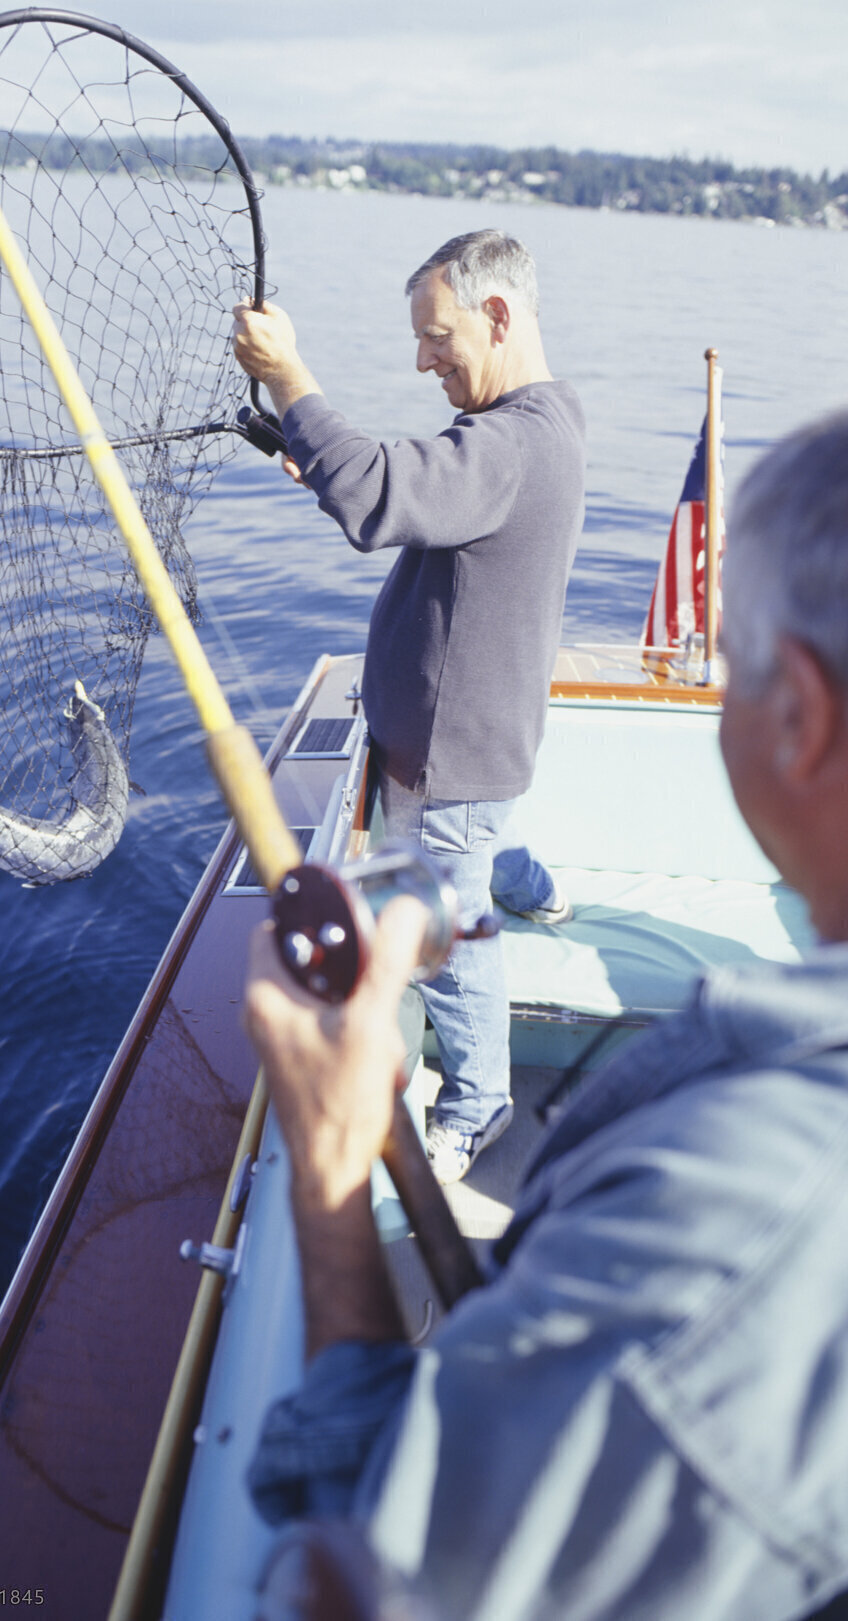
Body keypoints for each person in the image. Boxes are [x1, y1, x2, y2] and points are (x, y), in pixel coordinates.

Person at [242, 411, 848, 1619]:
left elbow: (360, 1568)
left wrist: (328, 1159)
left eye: (727, 656)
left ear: (801, 718)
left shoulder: (740, 1217)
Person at [233, 230, 585, 1185]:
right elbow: (412, 497)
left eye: (438, 337)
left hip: (453, 758)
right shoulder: (549, 421)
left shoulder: (508, 443)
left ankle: (480, 1100)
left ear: (498, 315)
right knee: (477, 838)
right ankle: (528, 880)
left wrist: (289, 377)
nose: (422, 359)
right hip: (486, 743)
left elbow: (384, 495)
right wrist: (329, 459)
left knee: (449, 935)